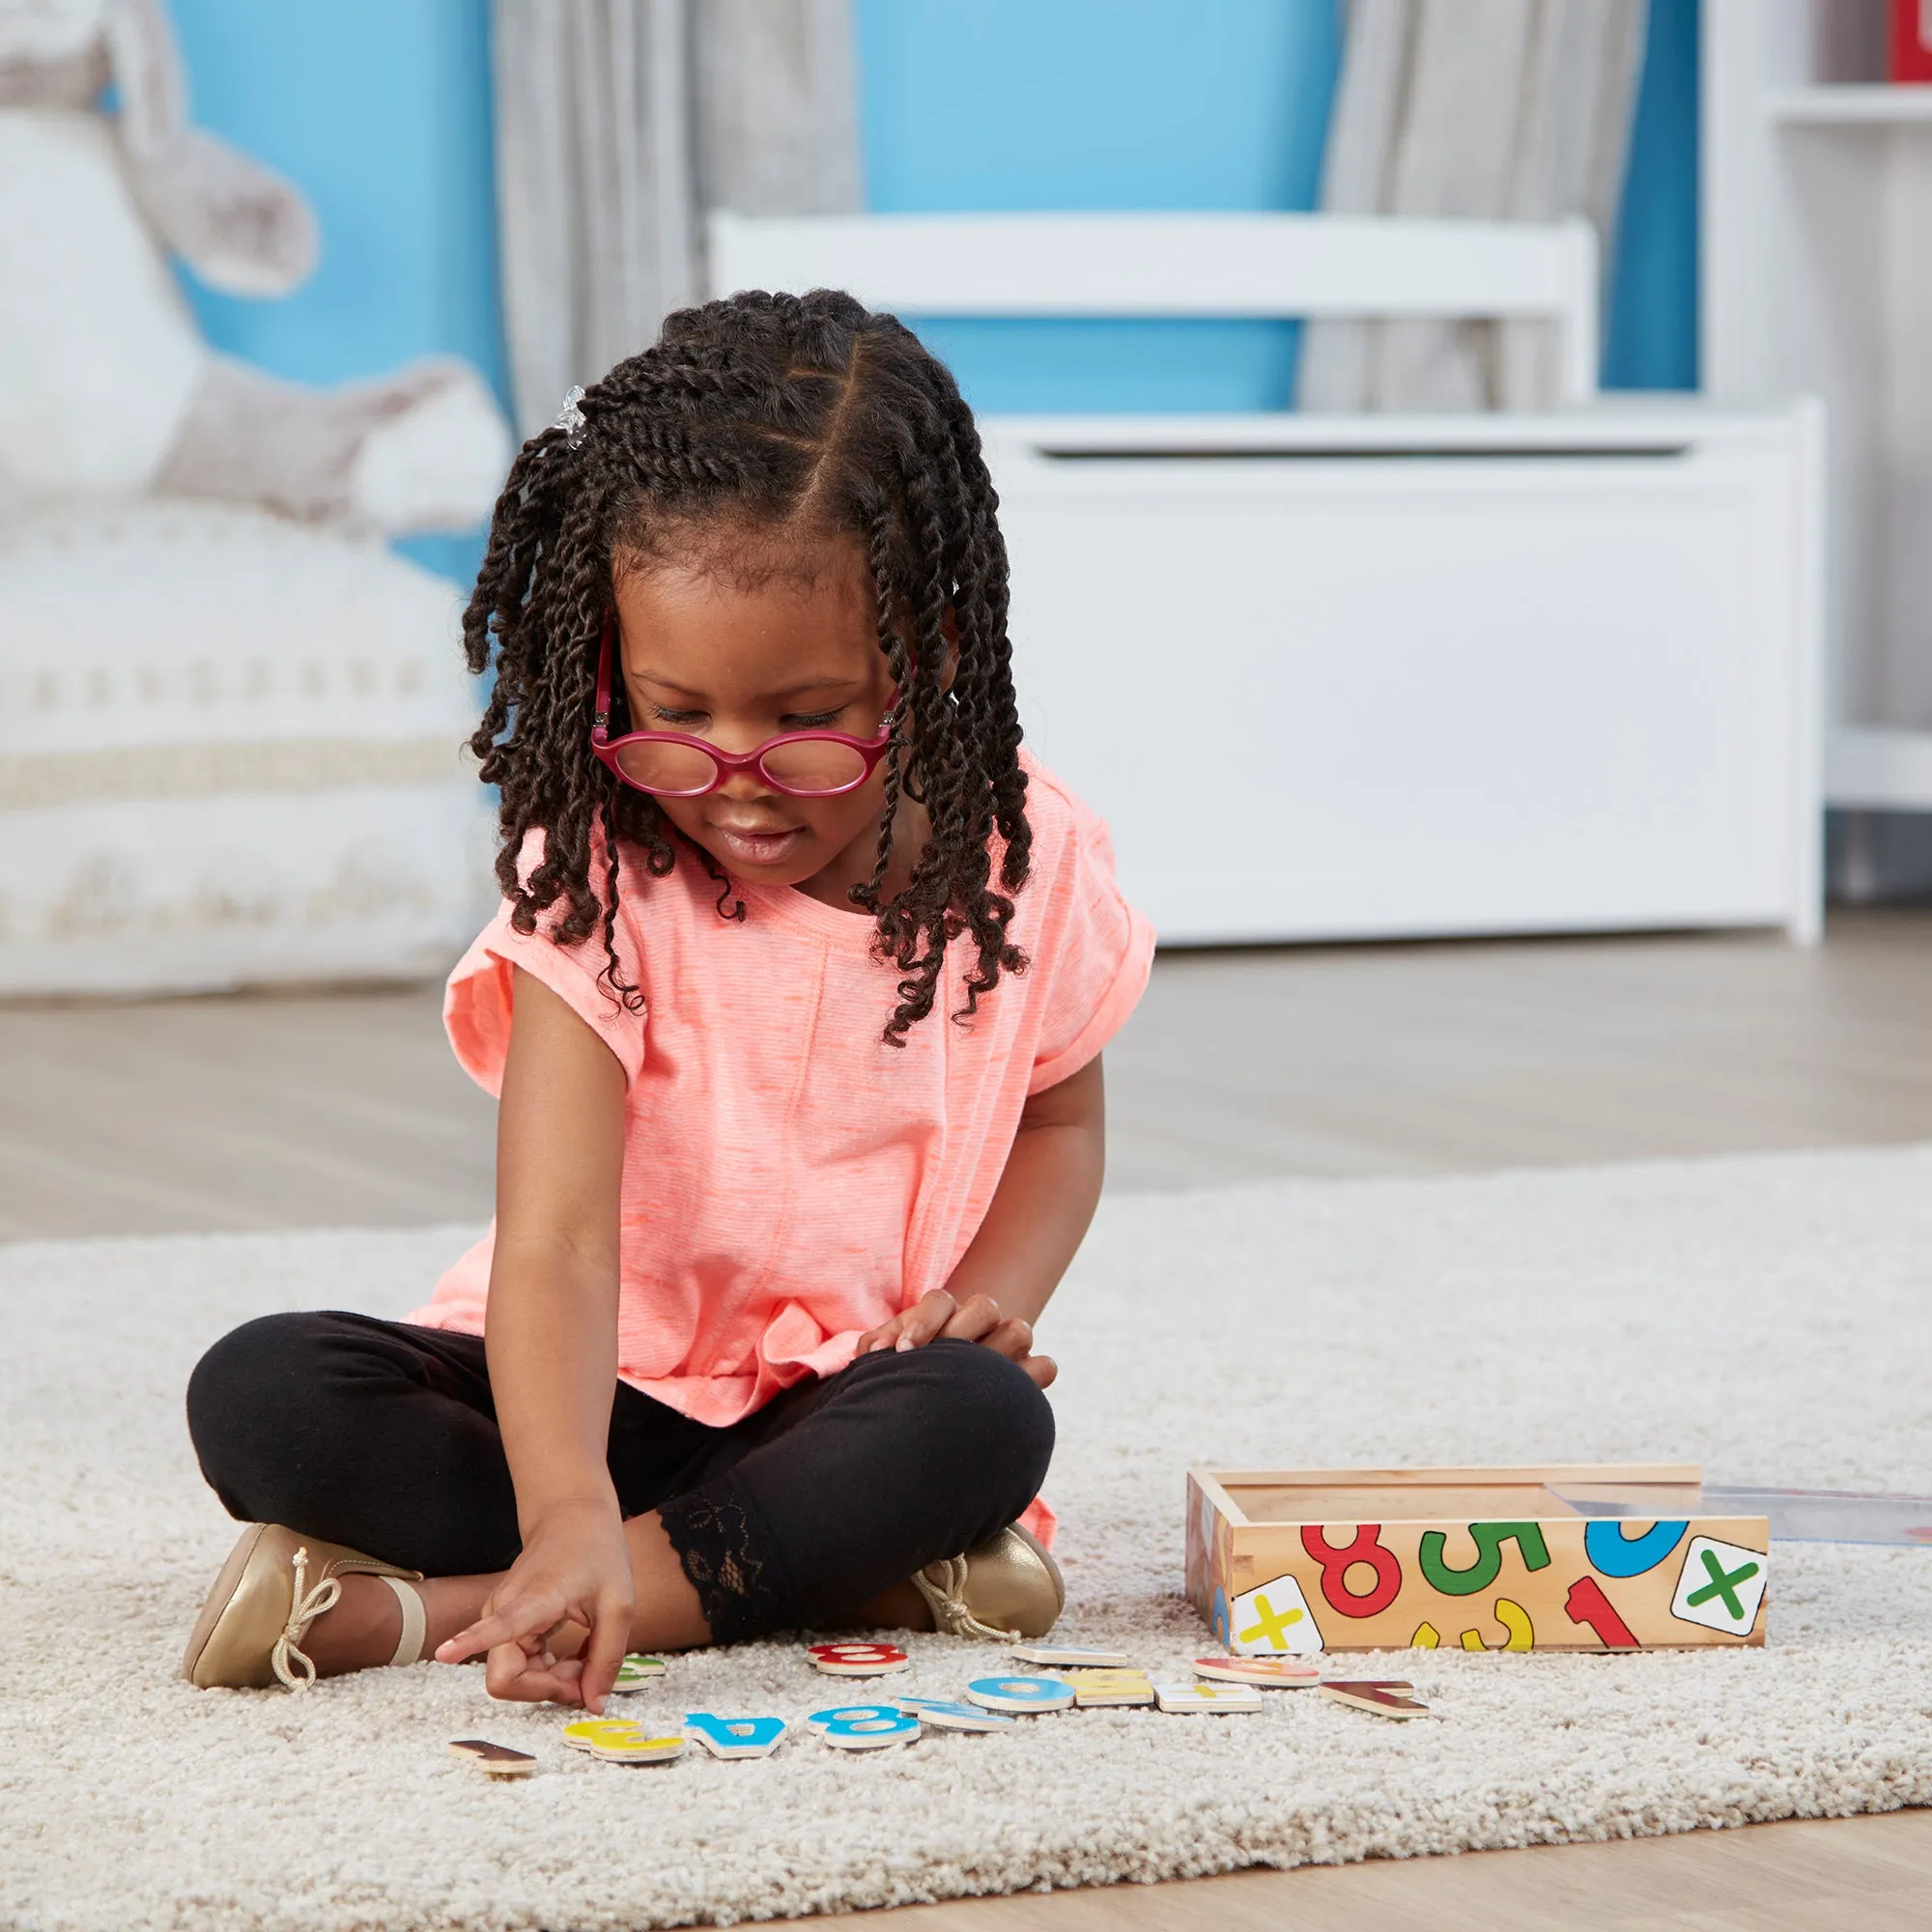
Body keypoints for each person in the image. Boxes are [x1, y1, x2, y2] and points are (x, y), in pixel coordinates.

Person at [178, 290, 1153, 1713]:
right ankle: (790, 1571)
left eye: (805, 719)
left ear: (930, 652)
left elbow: (1061, 1123)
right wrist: (567, 1503)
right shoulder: (597, 868)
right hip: (583, 1394)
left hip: (833, 1400)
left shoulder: (1033, 858)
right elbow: (562, 1239)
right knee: (264, 1394)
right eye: (676, 717)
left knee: (981, 1422)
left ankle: (425, 1613)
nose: (737, 778)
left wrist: (981, 1306)